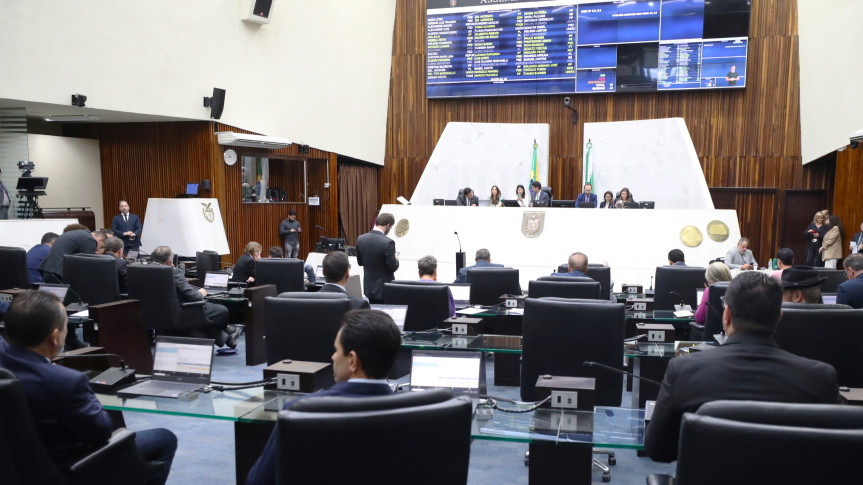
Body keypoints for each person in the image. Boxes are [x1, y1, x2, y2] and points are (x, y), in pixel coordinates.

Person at [644, 272, 839, 463]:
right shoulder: (820, 377)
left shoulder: (683, 370)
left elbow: (658, 450)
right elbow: (833, 455)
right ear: (779, 316)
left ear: (727, 314)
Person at [0, 291, 177, 484]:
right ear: (55, 337)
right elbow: (101, 432)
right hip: (70, 469)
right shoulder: (66, 382)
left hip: (16, 469)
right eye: (65, 327)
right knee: (165, 439)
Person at [246, 309, 401, 485]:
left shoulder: (300, 411)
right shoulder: (414, 413)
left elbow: (258, 481)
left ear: (352, 360)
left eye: (337, 350)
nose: (333, 357)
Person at [152, 246, 240, 349]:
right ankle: (228, 330)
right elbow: (194, 297)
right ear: (168, 262)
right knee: (221, 311)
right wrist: (201, 293)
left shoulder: (144, 270)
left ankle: (228, 337)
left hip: (155, 313)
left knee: (203, 320)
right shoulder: (173, 271)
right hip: (180, 312)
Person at [38, 224, 107, 283]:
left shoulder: (78, 234)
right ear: (101, 240)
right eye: (102, 247)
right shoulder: (90, 239)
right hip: (57, 273)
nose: (97, 250)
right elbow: (89, 264)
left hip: (48, 270)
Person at [356, 213, 399, 303]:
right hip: (384, 289)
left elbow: (360, 262)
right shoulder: (388, 242)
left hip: (369, 288)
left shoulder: (360, 239)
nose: (389, 230)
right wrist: (396, 259)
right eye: (390, 228)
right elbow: (392, 267)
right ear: (388, 225)